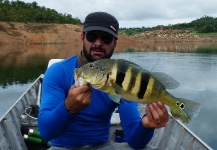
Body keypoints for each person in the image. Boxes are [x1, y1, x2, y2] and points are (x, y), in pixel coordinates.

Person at [38, 12, 169, 150]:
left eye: (106, 38)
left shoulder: (120, 77)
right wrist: (68, 107)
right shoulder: (58, 72)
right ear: (82, 38)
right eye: (92, 36)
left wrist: (146, 125)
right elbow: (46, 133)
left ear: (115, 43)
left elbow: (135, 142)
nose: (98, 43)